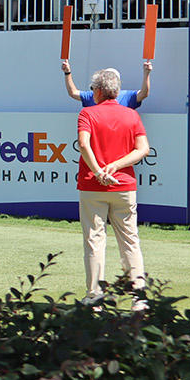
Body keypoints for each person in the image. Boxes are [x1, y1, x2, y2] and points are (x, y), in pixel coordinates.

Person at [75, 67, 149, 307]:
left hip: (92, 185)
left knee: (94, 241)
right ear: (116, 92)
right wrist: (116, 166)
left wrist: (99, 171)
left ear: (97, 91)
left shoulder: (87, 113)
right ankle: (139, 299)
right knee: (130, 241)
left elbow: (83, 145)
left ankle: (94, 297)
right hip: (124, 186)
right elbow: (143, 149)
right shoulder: (131, 115)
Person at [63, 59, 150, 108]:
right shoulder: (94, 95)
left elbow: (143, 93)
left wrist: (146, 74)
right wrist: (67, 73)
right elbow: (73, 92)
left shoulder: (126, 96)